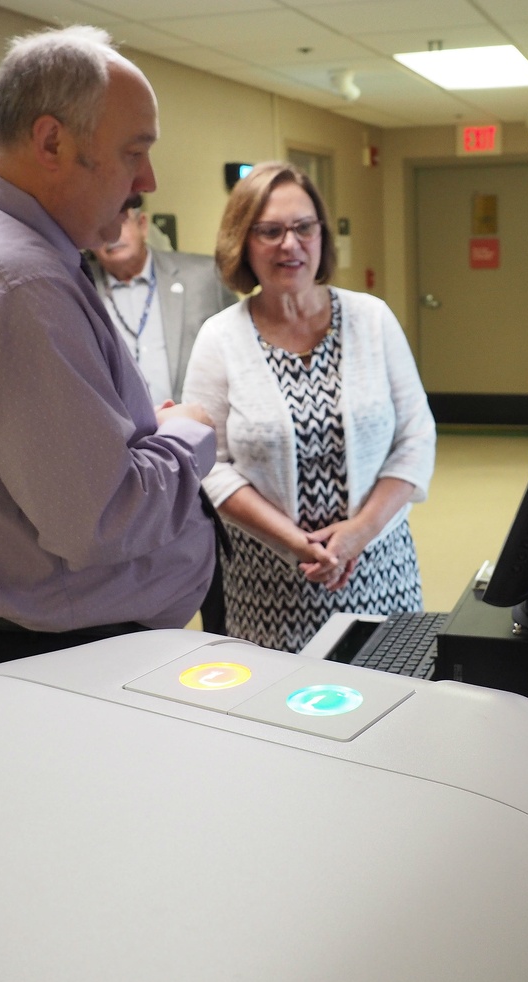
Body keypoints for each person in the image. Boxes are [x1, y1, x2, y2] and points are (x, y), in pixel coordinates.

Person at [0, 25, 221, 688]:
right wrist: (188, 433)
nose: (147, 180)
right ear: (52, 142)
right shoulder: (20, 283)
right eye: (134, 152)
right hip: (49, 664)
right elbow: (100, 520)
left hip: (12, 650)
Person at [182, 161, 436, 653]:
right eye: (270, 231)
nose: (290, 244)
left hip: (379, 568)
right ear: (243, 242)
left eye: (303, 227)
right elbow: (207, 463)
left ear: (321, 235)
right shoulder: (221, 337)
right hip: (269, 588)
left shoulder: (371, 319)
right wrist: (294, 544)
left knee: (391, 708)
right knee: (279, 720)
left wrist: (358, 534)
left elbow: (416, 438)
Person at [88, 198, 236, 404]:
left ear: (143, 225)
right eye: (101, 226)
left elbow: (239, 355)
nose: (112, 235)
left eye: (121, 221)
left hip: (197, 427)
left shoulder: (205, 277)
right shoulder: (81, 290)